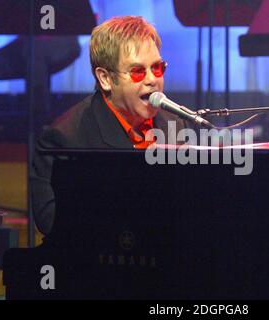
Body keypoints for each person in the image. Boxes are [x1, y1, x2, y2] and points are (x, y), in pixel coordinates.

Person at [31, 16, 189, 235]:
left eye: (157, 68)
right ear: (105, 78)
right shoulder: (63, 139)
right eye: (138, 71)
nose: (152, 79)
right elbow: (52, 222)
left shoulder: (174, 125)